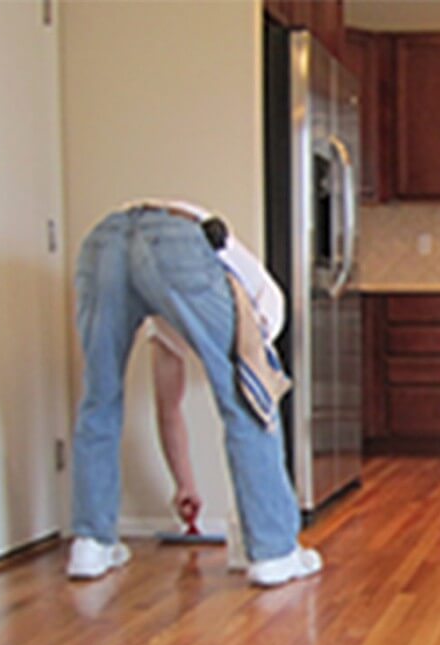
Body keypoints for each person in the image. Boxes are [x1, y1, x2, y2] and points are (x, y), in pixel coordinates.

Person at [67, 200, 321, 588]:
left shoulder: (168, 315)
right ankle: (275, 552)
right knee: (248, 404)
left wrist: (184, 484)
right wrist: (186, 479)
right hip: (173, 239)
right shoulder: (267, 310)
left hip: (104, 240)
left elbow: (168, 407)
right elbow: (255, 394)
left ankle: (91, 543)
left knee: (98, 398)